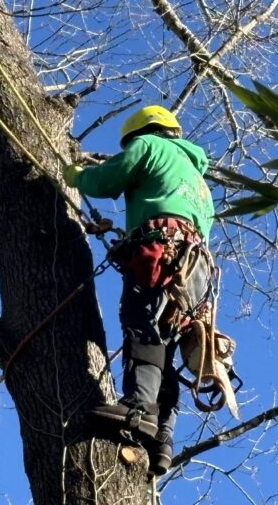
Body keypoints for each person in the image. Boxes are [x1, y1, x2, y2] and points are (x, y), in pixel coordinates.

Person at [63, 105, 215, 475]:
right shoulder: (198, 181)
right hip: (198, 272)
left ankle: (138, 409)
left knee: (143, 325)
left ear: (141, 133)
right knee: (169, 343)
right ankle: (163, 436)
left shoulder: (148, 146)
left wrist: (75, 176)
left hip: (163, 253)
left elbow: (107, 181)